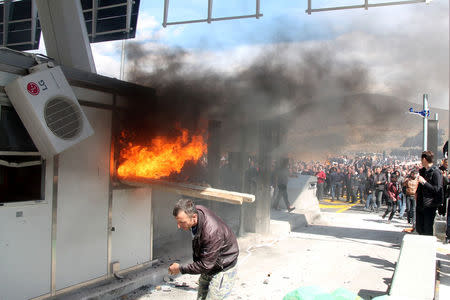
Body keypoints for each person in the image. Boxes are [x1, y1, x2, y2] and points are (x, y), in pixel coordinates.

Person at [169, 198, 239, 300]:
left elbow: (205, 265)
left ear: (194, 217)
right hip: (210, 262)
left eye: (182, 222)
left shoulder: (211, 233)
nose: (179, 226)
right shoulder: (196, 211)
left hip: (223, 267)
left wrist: (180, 268)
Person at [416, 151, 444, 236]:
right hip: (420, 203)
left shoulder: (436, 172)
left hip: (430, 204)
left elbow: (437, 189)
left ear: (424, 159)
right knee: (419, 227)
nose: (421, 161)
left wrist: (424, 182)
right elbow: (420, 186)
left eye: (421, 159)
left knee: (427, 228)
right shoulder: (423, 171)